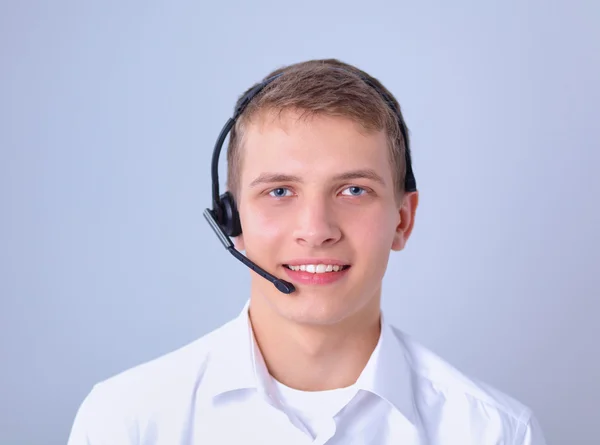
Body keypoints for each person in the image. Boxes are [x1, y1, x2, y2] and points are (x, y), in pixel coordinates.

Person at [67, 59, 547, 444]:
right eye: (279, 192)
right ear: (230, 220)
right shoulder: (123, 423)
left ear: (403, 219)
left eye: (354, 190)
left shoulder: (496, 432)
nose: (316, 231)